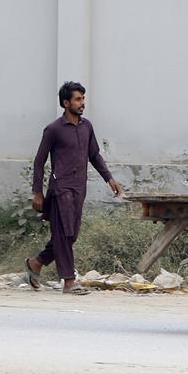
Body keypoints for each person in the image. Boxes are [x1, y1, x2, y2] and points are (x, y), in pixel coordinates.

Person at [25, 82, 123, 294]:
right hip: (61, 189)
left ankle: (36, 263)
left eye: (83, 99)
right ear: (65, 102)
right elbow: (39, 161)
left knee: (71, 234)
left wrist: (110, 179)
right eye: (78, 99)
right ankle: (69, 281)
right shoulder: (53, 130)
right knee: (64, 234)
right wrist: (37, 192)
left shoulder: (87, 126)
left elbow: (94, 155)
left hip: (79, 189)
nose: (82, 103)